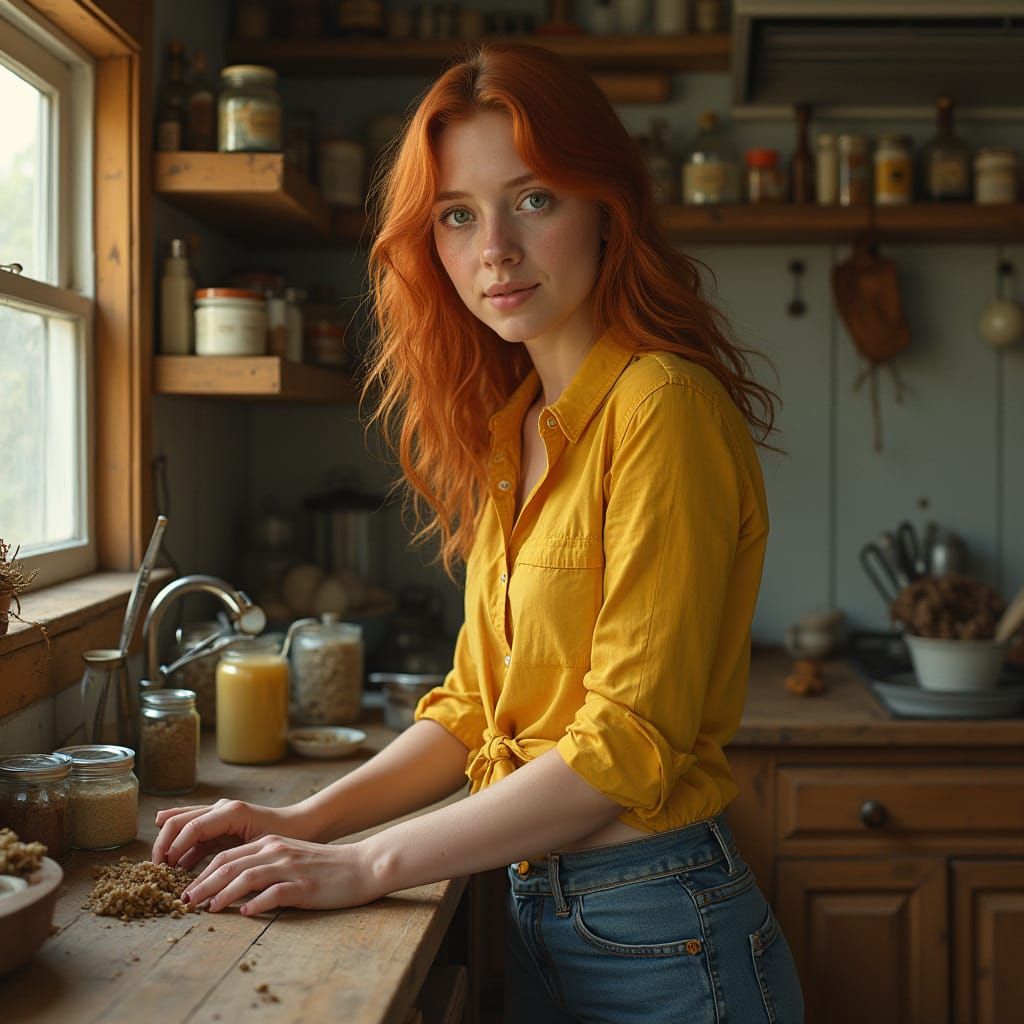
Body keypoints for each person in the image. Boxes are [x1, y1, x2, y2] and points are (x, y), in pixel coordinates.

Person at [151, 42, 805, 1023]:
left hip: (663, 936)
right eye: (457, 214)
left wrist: (364, 861)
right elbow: (470, 711)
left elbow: (623, 745)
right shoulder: (517, 430)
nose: (492, 247)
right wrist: (298, 819)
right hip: (539, 910)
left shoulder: (663, 408)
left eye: (532, 198)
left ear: (604, 207)